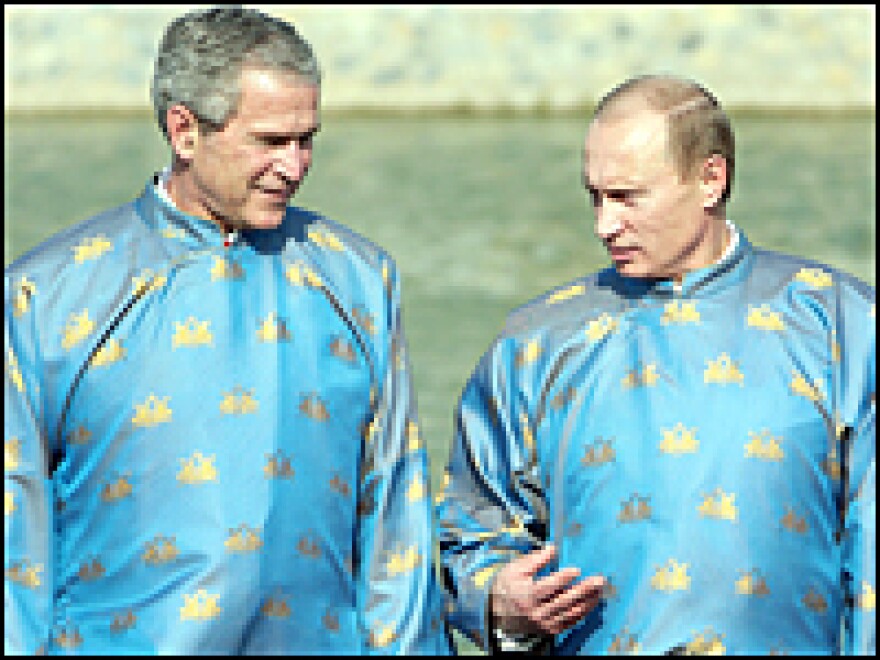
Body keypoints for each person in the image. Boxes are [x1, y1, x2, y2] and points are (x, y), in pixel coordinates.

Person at [5, 6, 450, 655]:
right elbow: (14, 530)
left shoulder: (358, 279)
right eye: (270, 142)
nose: (294, 166)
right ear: (184, 131)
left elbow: (396, 517)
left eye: (307, 139)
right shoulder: (47, 295)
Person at [436, 74, 875, 655]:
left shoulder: (843, 326)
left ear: (710, 179)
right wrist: (499, 602)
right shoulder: (536, 343)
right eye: (595, 196)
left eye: (627, 198)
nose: (604, 225)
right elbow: (470, 532)